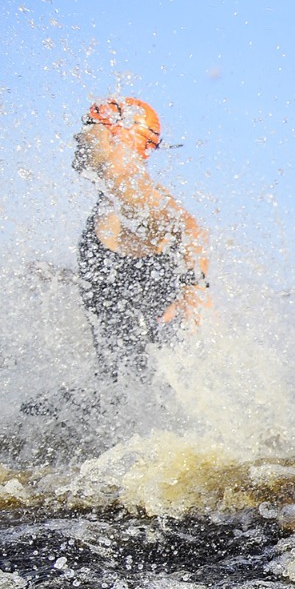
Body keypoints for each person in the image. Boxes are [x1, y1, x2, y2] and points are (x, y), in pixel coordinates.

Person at [72, 97, 209, 380]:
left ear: (120, 136)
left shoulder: (128, 185)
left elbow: (190, 229)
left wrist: (193, 288)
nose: (79, 136)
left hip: (153, 377)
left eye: (91, 127)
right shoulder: (112, 195)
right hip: (123, 381)